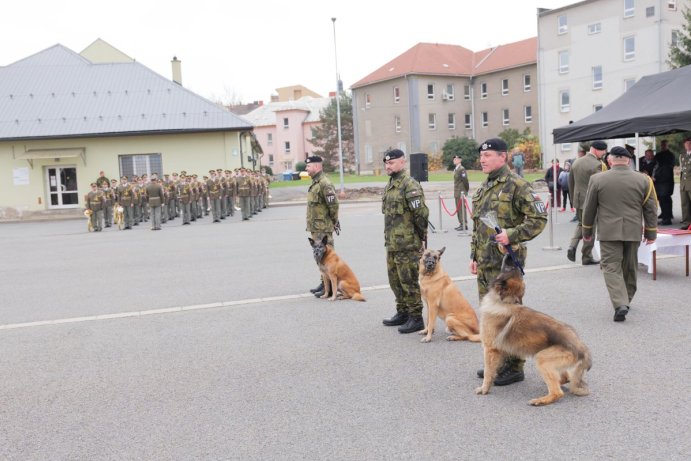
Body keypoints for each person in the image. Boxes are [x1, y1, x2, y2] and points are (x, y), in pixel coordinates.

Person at [470, 138, 547, 386]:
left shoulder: (517, 185)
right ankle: (498, 363)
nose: (483, 159)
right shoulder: (485, 187)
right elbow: (477, 227)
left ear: (503, 157)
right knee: (492, 317)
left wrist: (511, 235)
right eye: (481, 156)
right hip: (485, 262)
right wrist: (473, 256)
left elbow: (539, 217)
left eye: (488, 155)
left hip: (506, 265)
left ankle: (514, 367)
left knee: (510, 317)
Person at [581, 146, 658, 322]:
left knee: (611, 267)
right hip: (633, 230)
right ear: (628, 160)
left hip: (608, 232)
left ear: (610, 160)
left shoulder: (597, 179)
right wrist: (651, 233)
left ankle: (620, 303)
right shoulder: (644, 180)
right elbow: (651, 208)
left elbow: (589, 208)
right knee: (630, 267)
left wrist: (587, 231)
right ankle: (626, 300)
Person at [381, 149, 429, 334]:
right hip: (392, 243)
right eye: (386, 163)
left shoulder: (410, 185)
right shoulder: (391, 185)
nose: (388, 166)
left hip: (407, 244)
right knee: (395, 280)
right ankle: (402, 311)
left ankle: (416, 317)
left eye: (391, 163)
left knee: (408, 280)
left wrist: (418, 237)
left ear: (402, 162)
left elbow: (421, 214)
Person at [567, 140, 607, 265]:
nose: (604, 153)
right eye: (603, 150)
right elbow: (600, 186)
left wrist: (574, 200)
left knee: (581, 224)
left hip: (578, 199)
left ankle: (572, 245)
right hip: (590, 202)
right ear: (596, 149)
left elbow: (571, 183)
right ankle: (586, 256)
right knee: (590, 228)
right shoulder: (598, 164)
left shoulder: (576, 162)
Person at [304, 156, 340, 298]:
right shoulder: (316, 183)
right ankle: (324, 282)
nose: (306, 169)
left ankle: (331, 286)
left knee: (327, 257)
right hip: (316, 227)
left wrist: (334, 221)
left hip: (323, 227)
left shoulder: (324, 183)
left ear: (317, 167)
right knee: (320, 257)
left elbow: (333, 205)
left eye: (308, 166)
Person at [653, 140, 676, 226]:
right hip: (660, 182)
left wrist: (657, 176)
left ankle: (667, 219)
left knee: (665, 200)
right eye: (662, 145)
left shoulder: (670, 155)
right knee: (663, 200)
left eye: (664, 145)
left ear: (667, 145)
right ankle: (665, 215)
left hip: (666, 181)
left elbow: (668, 168)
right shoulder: (659, 155)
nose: (663, 146)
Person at [452, 154, 470, 231]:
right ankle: (461, 223)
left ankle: (464, 224)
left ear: (460, 160)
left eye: (456, 159)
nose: (454, 160)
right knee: (458, 208)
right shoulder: (456, 169)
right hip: (457, 191)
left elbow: (465, 180)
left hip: (461, 191)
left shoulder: (461, 169)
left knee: (462, 208)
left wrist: (466, 190)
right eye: (454, 159)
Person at [680, 137, 691, 230]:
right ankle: (686, 223)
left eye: (689, 143)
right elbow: (682, 171)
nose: (688, 145)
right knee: (685, 204)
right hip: (683, 184)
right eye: (686, 144)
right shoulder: (682, 156)